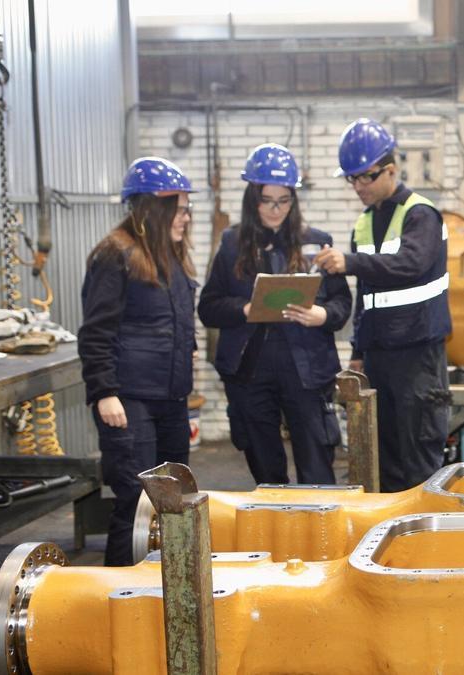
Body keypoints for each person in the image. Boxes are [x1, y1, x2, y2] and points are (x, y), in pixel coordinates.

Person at [198, 143, 351, 485]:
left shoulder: (316, 243)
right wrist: (246, 309)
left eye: (283, 201)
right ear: (252, 199)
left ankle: (320, 536)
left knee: (317, 470)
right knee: (267, 472)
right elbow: (208, 308)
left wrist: (321, 316)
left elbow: (342, 305)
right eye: (267, 201)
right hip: (251, 372)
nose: (275, 210)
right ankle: (275, 535)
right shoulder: (232, 244)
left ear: (294, 200)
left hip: (306, 370)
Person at [314, 119, 451, 493]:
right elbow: (367, 295)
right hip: (379, 356)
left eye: (366, 177)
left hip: (417, 354)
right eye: (352, 179)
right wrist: (358, 352)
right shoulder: (363, 223)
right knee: (386, 455)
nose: (358, 186)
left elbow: (413, 263)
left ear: (391, 169)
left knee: (418, 456)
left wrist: (349, 262)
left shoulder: (420, 213)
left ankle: (429, 545)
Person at [78, 157, 198, 566]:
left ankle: (163, 587)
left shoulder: (172, 258)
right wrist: (104, 391)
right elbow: (97, 331)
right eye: (179, 209)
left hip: (170, 399)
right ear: (153, 208)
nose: (186, 217)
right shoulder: (115, 254)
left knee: (173, 495)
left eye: (187, 208)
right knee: (135, 501)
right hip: (129, 400)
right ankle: (119, 595)